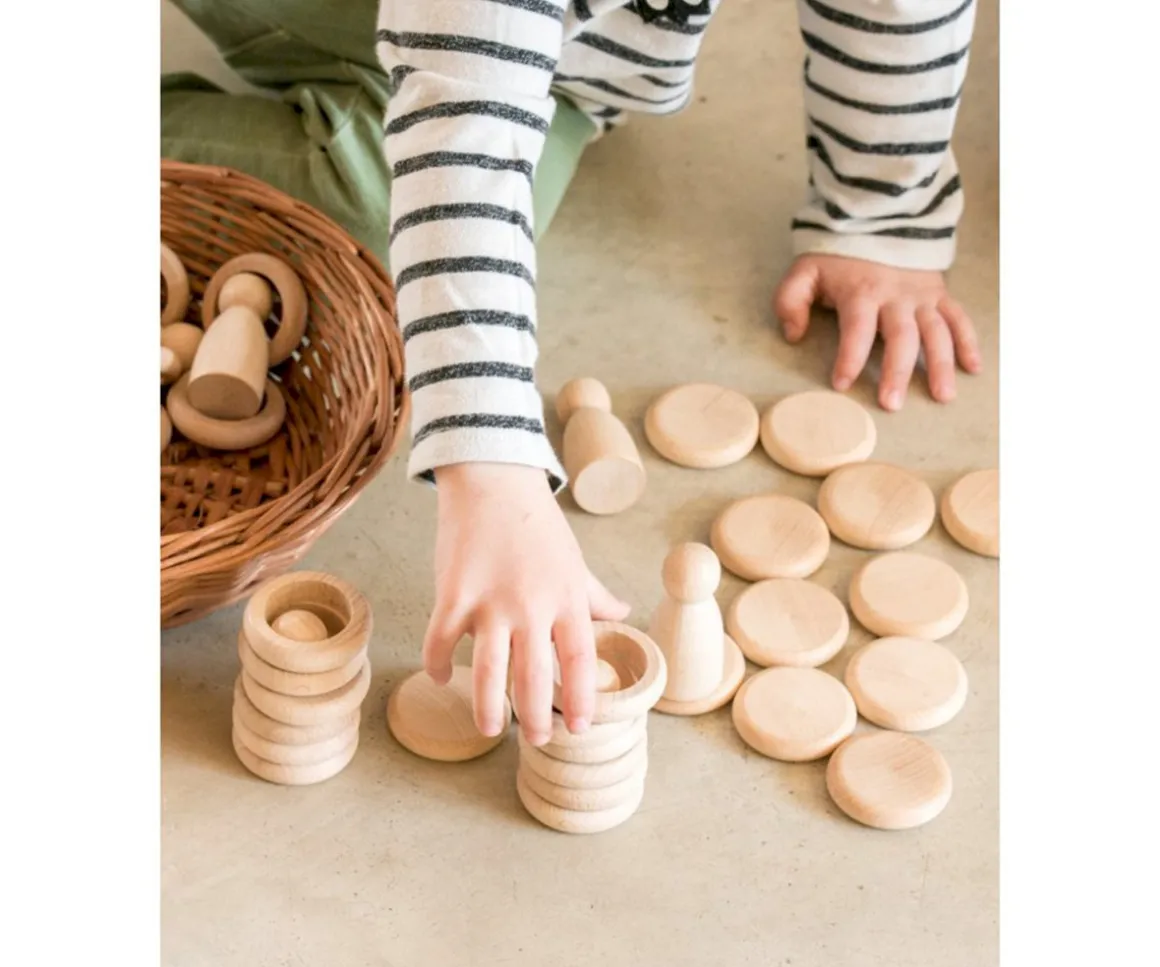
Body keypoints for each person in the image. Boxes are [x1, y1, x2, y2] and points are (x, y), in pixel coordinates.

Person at [163, 0, 983, 749]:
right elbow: (466, 114)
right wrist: (492, 472)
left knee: (463, 185)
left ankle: (465, 61)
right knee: (379, 229)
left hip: (563, 55)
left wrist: (882, 214)